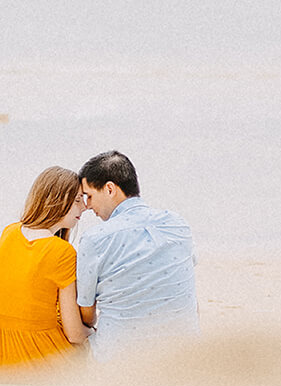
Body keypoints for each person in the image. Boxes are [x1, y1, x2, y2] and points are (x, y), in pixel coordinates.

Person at [75, 150, 198, 360]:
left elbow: (87, 314)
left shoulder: (95, 239)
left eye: (89, 196)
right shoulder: (177, 224)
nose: (87, 206)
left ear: (110, 189)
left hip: (121, 360)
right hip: (185, 356)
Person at [0, 167, 89, 380]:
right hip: (35, 361)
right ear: (56, 201)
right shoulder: (62, 251)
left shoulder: (9, 232)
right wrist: (94, 334)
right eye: (76, 201)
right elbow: (74, 334)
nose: (85, 207)